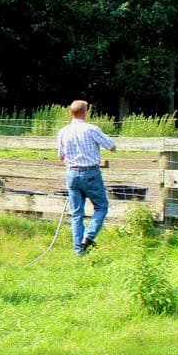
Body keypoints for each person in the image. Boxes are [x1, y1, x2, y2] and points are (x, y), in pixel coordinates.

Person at [57, 100, 117, 255]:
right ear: (85, 112)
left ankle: (79, 251)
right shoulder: (91, 129)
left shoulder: (63, 131)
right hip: (90, 173)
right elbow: (111, 146)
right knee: (101, 206)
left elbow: (61, 156)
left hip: (72, 173)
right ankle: (89, 236)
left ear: (71, 113)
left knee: (76, 213)